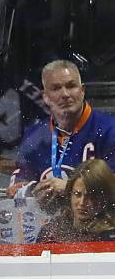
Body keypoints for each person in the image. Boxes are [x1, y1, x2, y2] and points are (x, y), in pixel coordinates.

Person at [8, 60, 115, 209]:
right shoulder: (34, 135)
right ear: (45, 96)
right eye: (56, 88)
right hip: (51, 227)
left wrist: (71, 189)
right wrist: (33, 190)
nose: (65, 94)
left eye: (71, 86)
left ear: (82, 90)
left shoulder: (110, 130)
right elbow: (16, 188)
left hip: (101, 227)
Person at [37, 159, 115, 242]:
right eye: (77, 194)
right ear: (69, 194)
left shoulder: (110, 237)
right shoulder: (51, 232)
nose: (82, 203)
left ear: (105, 197)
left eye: (91, 197)